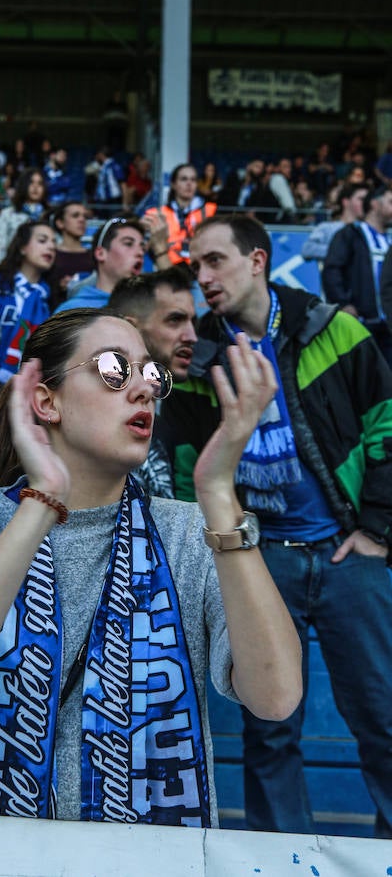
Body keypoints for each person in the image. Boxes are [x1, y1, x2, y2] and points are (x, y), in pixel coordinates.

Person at [0, 306, 301, 825]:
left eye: (151, 374)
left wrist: (219, 493)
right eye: (114, 370)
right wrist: (42, 502)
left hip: (147, 861)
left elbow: (277, 696)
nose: (144, 389)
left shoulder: (190, 533)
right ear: (46, 400)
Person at [164, 213, 392, 838]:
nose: (203, 277)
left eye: (215, 261)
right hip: (263, 561)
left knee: (384, 721)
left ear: (258, 259)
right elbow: (187, 467)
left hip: (351, 557)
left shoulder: (334, 328)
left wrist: (377, 528)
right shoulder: (196, 359)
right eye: (195, 266)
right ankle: (279, 862)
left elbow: (388, 425)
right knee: (269, 731)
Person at [108, 267, 198, 498]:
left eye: (192, 321)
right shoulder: (98, 415)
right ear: (132, 327)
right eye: (175, 320)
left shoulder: (184, 403)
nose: (191, 336)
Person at [322, 185, 392, 366]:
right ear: (375, 204)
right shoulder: (350, 234)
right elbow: (332, 270)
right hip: (362, 323)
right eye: (390, 202)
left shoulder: (389, 239)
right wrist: (343, 303)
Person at [0, 222, 55, 385]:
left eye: (54, 242)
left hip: (23, 385)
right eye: (42, 240)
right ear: (22, 247)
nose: (51, 247)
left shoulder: (47, 298)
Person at [54, 216, 145, 313]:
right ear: (101, 254)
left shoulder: (148, 307)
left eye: (142, 247)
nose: (140, 252)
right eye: (128, 244)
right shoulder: (71, 311)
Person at [142, 164, 217, 269]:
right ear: (173, 184)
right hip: (165, 269)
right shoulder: (157, 213)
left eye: (193, 179)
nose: (189, 183)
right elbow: (144, 247)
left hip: (200, 271)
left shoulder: (211, 211)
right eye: (183, 179)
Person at [45, 201, 94, 310]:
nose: (82, 220)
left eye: (85, 216)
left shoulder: (94, 256)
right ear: (60, 223)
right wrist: (58, 286)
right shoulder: (49, 253)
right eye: (75, 215)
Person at [301, 183, 368, 263]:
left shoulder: (369, 230)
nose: (366, 204)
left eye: (368, 200)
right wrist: (340, 251)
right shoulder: (327, 228)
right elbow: (307, 249)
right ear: (346, 201)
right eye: (361, 199)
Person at [0, 168, 49, 263]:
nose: (35, 187)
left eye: (40, 184)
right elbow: (0, 244)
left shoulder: (49, 215)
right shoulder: (8, 213)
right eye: (31, 182)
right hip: (13, 264)